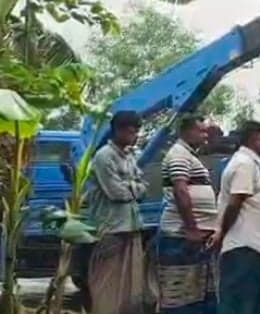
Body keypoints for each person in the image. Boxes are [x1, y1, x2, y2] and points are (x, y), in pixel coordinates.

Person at [85, 111, 154, 314]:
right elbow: (116, 192)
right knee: (107, 283)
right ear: (119, 131)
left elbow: (144, 187)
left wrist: (132, 187)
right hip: (111, 228)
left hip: (131, 225)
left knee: (130, 286)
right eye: (132, 132)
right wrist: (135, 188)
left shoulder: (130, 155)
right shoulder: (104, 156)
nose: (135, 136)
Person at [157, 114, 218, 314]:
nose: (205, 136)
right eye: (200, 131)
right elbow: (180, 191)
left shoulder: (189, 156)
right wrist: (192, 229)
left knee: (196, 292)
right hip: (181, 236)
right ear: (186, 131)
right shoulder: (178, 155)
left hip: (194, 236)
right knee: (180, 295)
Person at [214, 121, 260, 314]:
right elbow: (236, 201)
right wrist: (222, 233)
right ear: (253, 139)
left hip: (251, 248)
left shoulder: (248, 163)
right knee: (242, 305)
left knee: (249, 304)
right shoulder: (244, 164)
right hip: (244, 248)